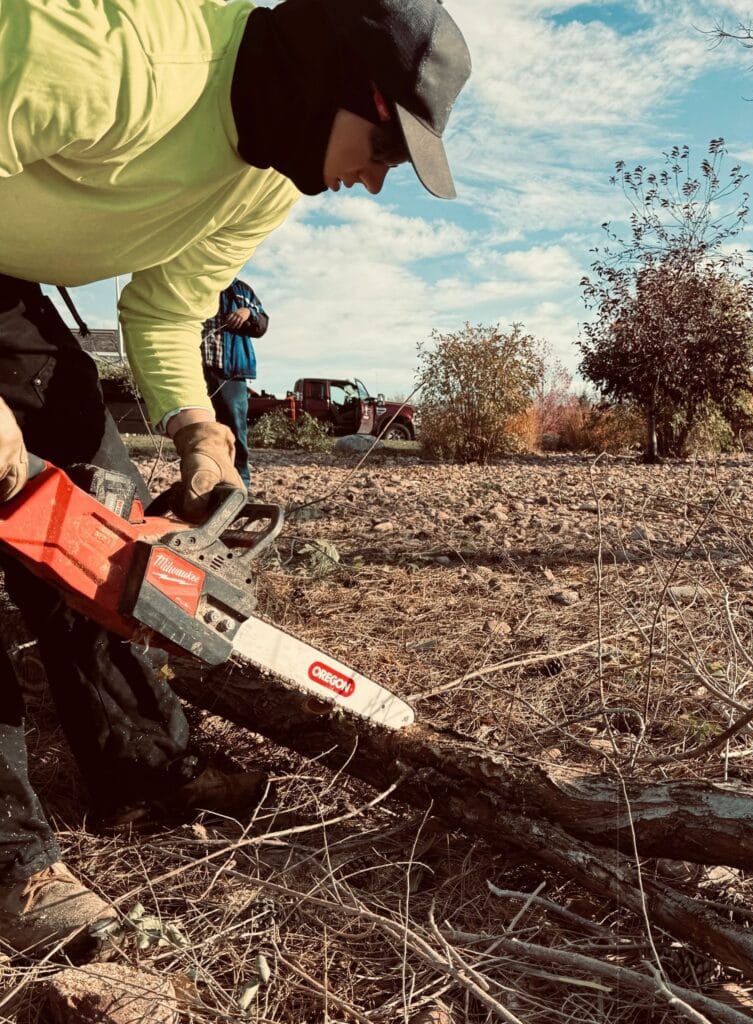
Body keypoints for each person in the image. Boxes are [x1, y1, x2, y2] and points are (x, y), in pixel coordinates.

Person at [0, 0, 471, 958]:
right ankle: (11, 862)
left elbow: (169, 306)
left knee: (103, 527)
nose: (376, 181)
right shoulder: (117, 51)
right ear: (336, 80)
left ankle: (146, 773)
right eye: (386, 148)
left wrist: (200, 434)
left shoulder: (268, 177)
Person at [201, 279, 270, 490]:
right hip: (195, 368)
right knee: (200, 428)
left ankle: (240, 485)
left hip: (231, 371)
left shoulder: (241, 290)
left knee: (235, 428)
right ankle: (205, 481)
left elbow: (262, 324)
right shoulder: (193, 279)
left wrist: (248, 313)